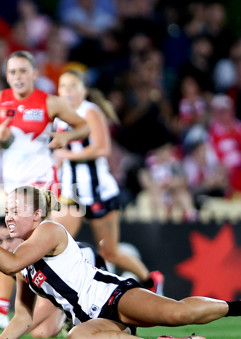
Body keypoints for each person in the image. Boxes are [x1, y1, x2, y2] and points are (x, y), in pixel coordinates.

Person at [0, 185, 241, 339]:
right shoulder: (23, 267)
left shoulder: (48, 231)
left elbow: (8, 260)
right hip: (93, 320)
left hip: (112, 295)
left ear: (37, 215)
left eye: (16, 210)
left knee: (177, 312)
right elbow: (23, 317)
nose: (9, 216)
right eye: (8, 210)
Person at [0, 50, 90, 329]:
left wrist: (66, 137)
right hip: (13, 187)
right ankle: (5, 309)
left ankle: (17, 309)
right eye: (12, 72)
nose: (18, 77)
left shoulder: (49, 102)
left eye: (23, 71)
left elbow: (83, 127)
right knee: (11, 244)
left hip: (42, 188)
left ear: (35, 74)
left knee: (23, 247)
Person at [51, 69, 164, 291]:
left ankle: (150, 281)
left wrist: (67, 155)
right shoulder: (57, 115)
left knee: (109, 252)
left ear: (84, 90)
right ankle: (63, 302)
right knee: (54, 245)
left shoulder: (90, 112)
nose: (68, 91)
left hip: (98, 192)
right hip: (71, 192)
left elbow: (102, 148)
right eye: (64, 86)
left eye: (74, 86)